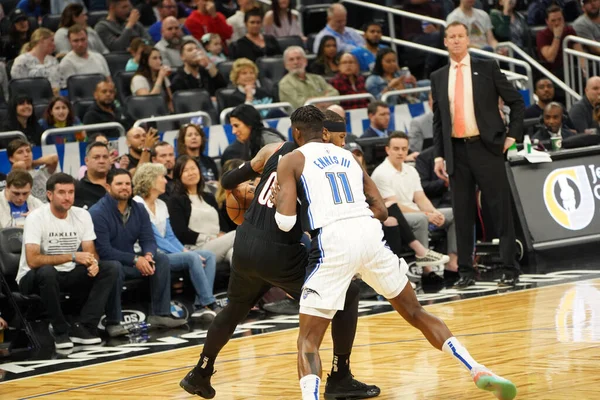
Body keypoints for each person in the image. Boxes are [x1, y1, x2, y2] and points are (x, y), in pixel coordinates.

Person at [274, 105, 517, 400]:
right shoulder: (349, 156)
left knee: (309, 340)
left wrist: (283, 201)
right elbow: (381, 209)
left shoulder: (291, 159)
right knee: (416, 312)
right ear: (325, 132)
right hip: (370, 234)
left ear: (295, 132)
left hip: (334, 241)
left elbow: (285, 223)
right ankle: (476, 367)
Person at [179, 112, 380, 400]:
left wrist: (249, 189)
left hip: (245, 242)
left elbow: (228, 181)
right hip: (278, 249)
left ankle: (200, 372)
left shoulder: (272, 150)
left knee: (234, 309)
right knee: (348, 292)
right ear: (322, 134)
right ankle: (340, 377)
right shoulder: (316, 164)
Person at [430, 21, 525, 288]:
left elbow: (516, 102)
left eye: (461, 36)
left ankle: (509, 267)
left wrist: (512, 136)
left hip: (487, 147)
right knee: (462, 213)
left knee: (499, 209)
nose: (457, 41)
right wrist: (439, 156)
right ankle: (466, 272)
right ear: (445, 42)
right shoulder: (438, 77)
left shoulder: (487, 68)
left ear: (468, 40)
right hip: (456, 151)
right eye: (452, 37)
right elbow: (439, 121)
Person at [17, 173, 119, 349]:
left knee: (111, 268)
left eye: (71, 192)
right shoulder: (36, 218)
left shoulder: (82, 215)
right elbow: (33, 260)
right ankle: (60, 330)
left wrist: (92, 264)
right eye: (62, 192)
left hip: (67, 272)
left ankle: (84, 326)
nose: (67, 197)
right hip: (32, 277)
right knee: (47, 271)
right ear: (50, 195)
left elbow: (90, 252)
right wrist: (72, 256)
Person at [89, 169, 187, 338]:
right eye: (119, 184)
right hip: (107, 265)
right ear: (108, 186)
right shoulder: (98, 212)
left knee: (160, 258)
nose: (124, 187)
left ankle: (160, 315)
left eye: (127, 183)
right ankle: (113, 322)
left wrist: (148, 255)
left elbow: (148, 239)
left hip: (130, 262)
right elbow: (104, 250)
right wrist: (136, 259)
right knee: (115, 267)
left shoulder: (139, 208)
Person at [132, 163, 221, 321]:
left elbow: (170, 236)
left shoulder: (161, 204)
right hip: (149, 254)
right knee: (192, 257)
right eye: (162, 178)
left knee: (208, 256)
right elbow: (155, 238)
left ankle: (200, 305)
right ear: (150, 180)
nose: (166, 181)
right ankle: (209, 303)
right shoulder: (138, 203)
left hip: (168, 252)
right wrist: (185, 253)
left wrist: (184, 251)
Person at [371, 132, 459, 286]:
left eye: (404, 149)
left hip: (414, 211)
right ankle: (428, 270)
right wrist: (426, 214)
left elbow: (420, 197)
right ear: (387, 150)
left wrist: (434, 212)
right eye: (396, 148)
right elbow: (394, 206)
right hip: (396, 215)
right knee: (421, 219)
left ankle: (452, 264)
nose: (400, 152)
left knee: (453, 214)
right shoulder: (381, 173)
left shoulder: (411, 170)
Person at [168, 156, 236, 265]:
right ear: (178, 175)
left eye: (193, 168)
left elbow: (223, 225)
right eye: (185, 170)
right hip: (196, 248)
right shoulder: (176, 200)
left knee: (235, 254)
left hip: (218, 244)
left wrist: (221, 235)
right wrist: (209, 238)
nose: (191, 173)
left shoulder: (209, 197)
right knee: (238, 234)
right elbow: (181, 232)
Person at [220, 104, 286, 166]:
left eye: (236, 126)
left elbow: (286, 163)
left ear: (249, 123)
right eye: (232, 127)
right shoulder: (250, 141)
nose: (233, 131)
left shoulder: (269, 140)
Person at [279, 46, 339, 110]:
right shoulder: (285, 83)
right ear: (285, 64)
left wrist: (313, 101)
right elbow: (300, 105)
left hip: (326, 115)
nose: (296, 62)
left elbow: (335, 94)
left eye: (298, 58)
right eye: (291, 59)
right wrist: (324, 99)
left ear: (305, 61)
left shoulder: (318, 78)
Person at [536, 5, 585, 78]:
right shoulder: (542, 35)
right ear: (547, 21)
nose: (557, 23)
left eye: (560, 19)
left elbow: (580, 53)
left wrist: (584, 69)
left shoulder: (569, 31)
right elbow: (550, 58)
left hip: (569, 68)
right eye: (553, 20)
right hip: (551, 72)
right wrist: (557, 37)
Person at [11, 28, 62, 93]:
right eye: (51, 40)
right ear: (41, 40)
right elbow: (19, 86)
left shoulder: (53, 60)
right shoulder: (21, 61)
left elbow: (60, 82)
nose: (54, 44)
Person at [131, 47, 174, 112]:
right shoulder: (138, 79)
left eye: (160, 58)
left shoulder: (162, 76)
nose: (159, 61)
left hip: (164, 113)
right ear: (145, 60)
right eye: (154, 58)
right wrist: (160, 78)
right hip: (148, 115)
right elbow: (149, 102)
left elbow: (170, 99)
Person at [75, 142, 111, 209]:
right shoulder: (78, 190)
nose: (101, 161)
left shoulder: (119, 182)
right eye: (96, 157)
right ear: (86, 160)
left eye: (105, 157)